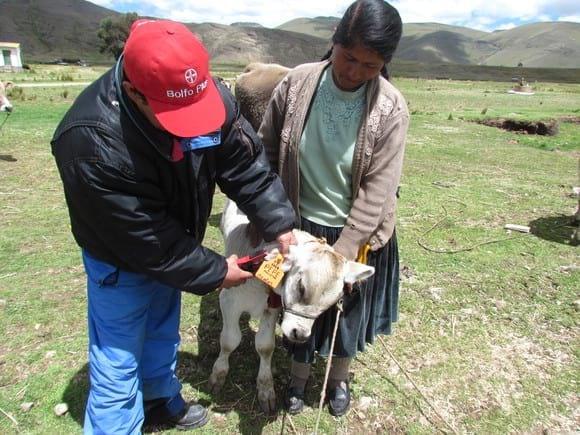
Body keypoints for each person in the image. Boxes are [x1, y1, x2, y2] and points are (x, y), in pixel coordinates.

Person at [51, 19, 296, 434]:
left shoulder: (210, 98)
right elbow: (145, 241)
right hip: (121, 259)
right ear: (133, 91)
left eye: (197, 109)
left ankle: (160, 400)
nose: (194, 126)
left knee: (163, 331)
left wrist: (281, 226)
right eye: (176, 115)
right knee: (118, 358)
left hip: (178, 243)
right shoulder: (90, 143)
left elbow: (245, 166)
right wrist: (219, 272)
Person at [258, 0, 408, 417]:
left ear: (385, 64)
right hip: (299, 223)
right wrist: (272, 217)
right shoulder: (297, 83)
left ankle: (338, 378)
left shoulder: (391, 109)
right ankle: (299, 377)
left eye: (370, 65)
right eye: (348, 57)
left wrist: (340, 257)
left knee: (345, 313)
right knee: (299, 300)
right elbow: (266, 151)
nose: (354, 72)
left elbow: (378, 190)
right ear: (334, 42)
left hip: (355, 234)